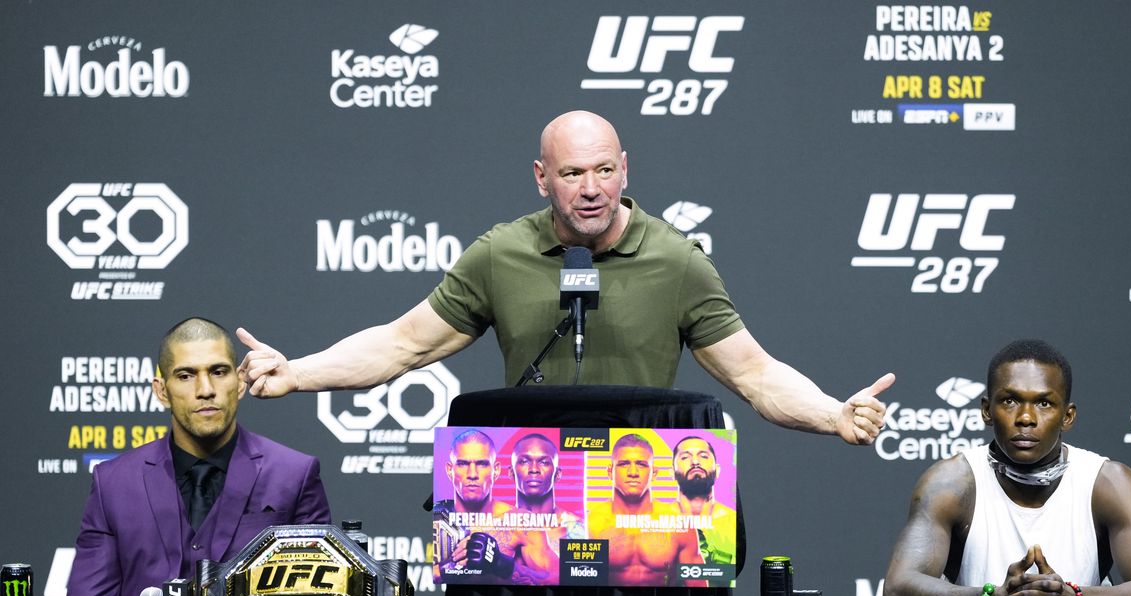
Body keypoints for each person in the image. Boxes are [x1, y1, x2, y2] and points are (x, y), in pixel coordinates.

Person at [236, 110, 893, 447]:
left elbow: (754, 373)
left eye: (604, 170)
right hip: (526, 495)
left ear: (626, 170)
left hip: (646, 494)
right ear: (541, 177)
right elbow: (404, 343)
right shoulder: (500, 253)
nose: (590, 189)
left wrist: (833, 412)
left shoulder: (676, 259)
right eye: (572, 173)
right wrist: (300, 371)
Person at [882, 339, 1131, 596]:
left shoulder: (1108, 483)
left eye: (1044, 403)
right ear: (987, 410)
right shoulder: (952, 483)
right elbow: (898, 590)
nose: (1026, 418)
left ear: (1068, 416)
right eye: (1010, 400)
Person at [66, 318, 331, 596]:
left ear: (240, 383)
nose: (205, 389)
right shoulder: (113, 482)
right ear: (161, 391)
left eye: (218, 372)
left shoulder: (294, 474)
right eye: (185, 375)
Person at [434, 429, 558, 584]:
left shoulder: (519, 522)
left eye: (482, 464)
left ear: (496, 470)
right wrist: (448, 569)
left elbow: (555, 578)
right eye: (463, 464)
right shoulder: (436, 519)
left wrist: (500, 563)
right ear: (450, 470)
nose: (472, 474)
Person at [586, 434, 706, 587]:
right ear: (610, 472)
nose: (633, 472)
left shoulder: (680, 525)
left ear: (654, 473)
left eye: (641, 464)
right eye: (623, 464)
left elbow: (700, 592)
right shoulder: (591, 524)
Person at [509, 432, 585, 552]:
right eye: (524, 461)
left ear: (558, 474)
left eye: (544, 462)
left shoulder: (578, 530)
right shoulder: (496, 526)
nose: (534, 469)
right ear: (511, 472)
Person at [672, 436, 736, 566]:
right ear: (672, 473)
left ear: (717, 470)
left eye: (703, 456)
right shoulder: (655, 520)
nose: (695, 461)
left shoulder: (733, 522)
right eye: (685, 457)